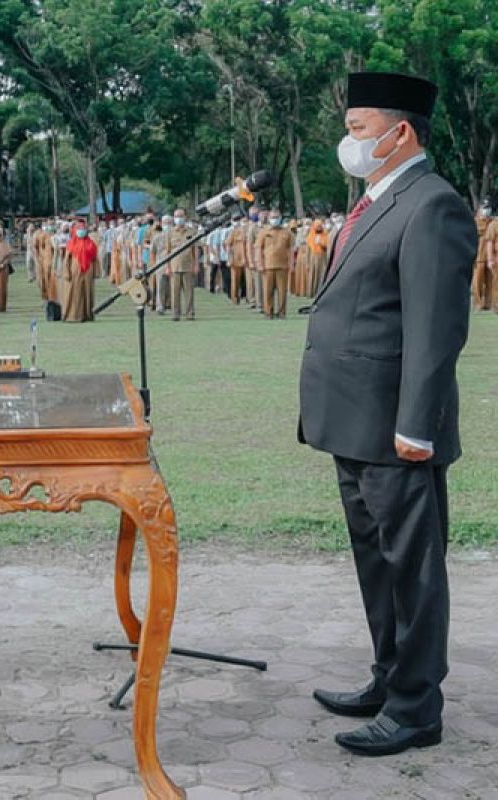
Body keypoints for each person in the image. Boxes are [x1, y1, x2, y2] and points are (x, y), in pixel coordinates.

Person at [299, 72, 476, 758]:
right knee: (377, 563)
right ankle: (387, 676)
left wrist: (416, 426)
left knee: (413, 569)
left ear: (400, 133)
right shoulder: (378, 200)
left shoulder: (431, 204)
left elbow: (436, 330)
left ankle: (415, 710)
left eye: (359, 130)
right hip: (352, 420)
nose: (351, 143)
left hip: (394, 428)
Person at [256, 210, 294, 319]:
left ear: (281, 217)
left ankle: (282, 312)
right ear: (268, 218)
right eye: (273, 217)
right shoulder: (264, 232)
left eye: (277, 217)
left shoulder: (287, 232)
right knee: (268, 291)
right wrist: (260, 263)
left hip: (283, 265)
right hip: (268, 266)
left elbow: (291, 250)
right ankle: (269, 312)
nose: (275, 219)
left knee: (282, 291)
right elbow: (258, 249)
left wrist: (292, 264)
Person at [62, 224, 96, 322]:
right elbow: (66, 260)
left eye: (83, 229)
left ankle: (88, 315)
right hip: (75, 270)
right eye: (79, 229)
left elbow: (95, 259)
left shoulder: (91, 243)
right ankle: (73, 315)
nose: (82, 231)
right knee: (75, 292)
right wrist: (67, 272)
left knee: (87, 292)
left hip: (88, 270)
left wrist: (96, 272)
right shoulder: (71, 243)